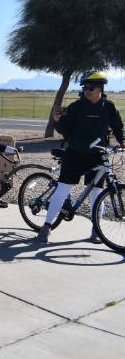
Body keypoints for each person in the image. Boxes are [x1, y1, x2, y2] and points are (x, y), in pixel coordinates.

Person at [37, 71, 125, 243]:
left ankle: (96, 230)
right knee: (63, 190)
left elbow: (118, 127)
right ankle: (46, 226)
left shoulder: (109, 107)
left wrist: (122, 141)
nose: (87, 90)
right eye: (85, 87)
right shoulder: (76, 107)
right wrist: (57, 121)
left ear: (101, 88)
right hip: (75, 155)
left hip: (98, 155)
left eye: (91, 87)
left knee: (97, 194)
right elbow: (63, 130)